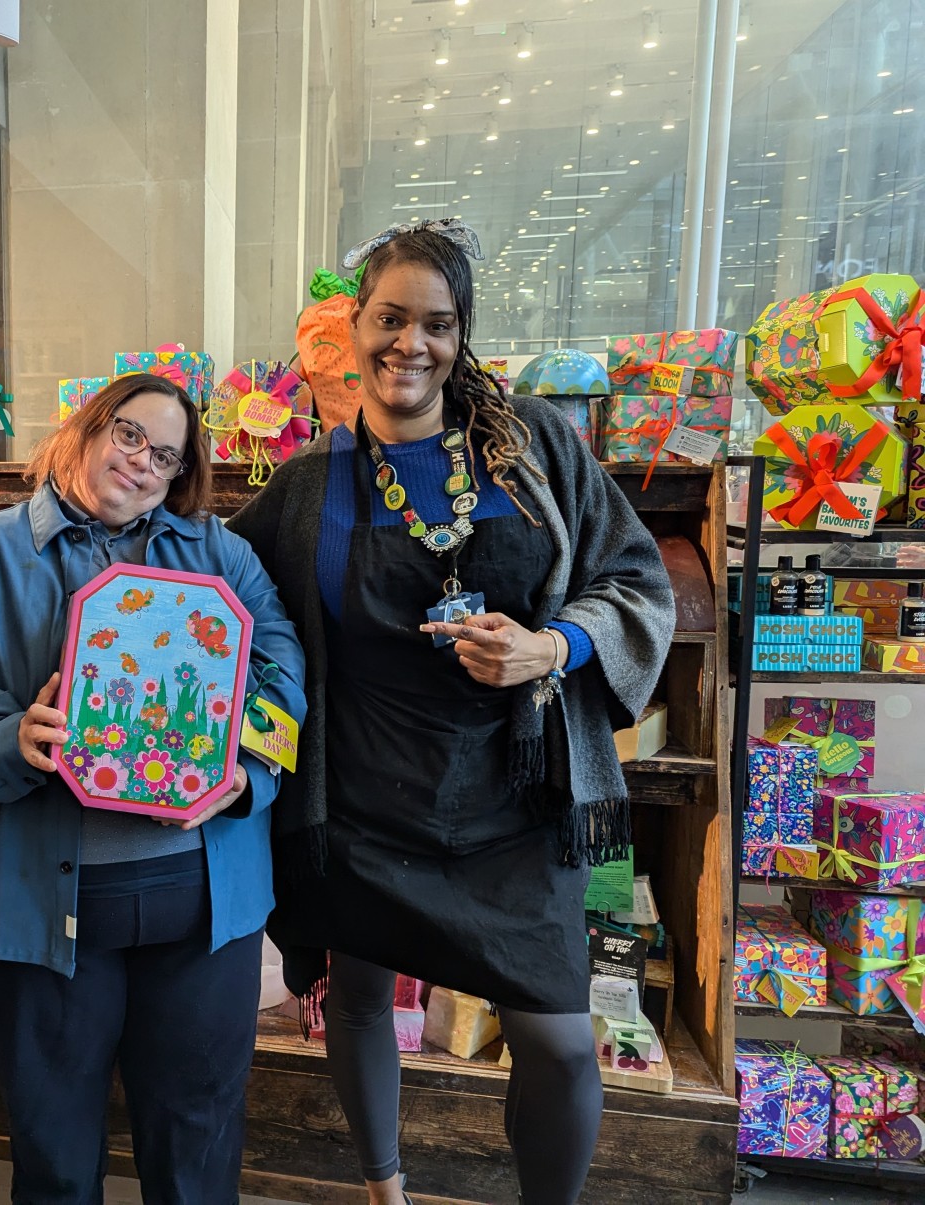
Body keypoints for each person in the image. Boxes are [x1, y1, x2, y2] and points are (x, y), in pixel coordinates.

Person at [226, 218, 674, 1205]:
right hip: (366, 799)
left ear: (458, 335)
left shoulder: (533, 448)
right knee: (357, 996)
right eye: (391, 318)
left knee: (557, 1043)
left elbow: (635, 576)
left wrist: (551, 645)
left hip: (516, 800)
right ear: (353, 325)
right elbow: (211, 580)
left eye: (436, 323)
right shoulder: (309, 488)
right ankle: (385, 1189)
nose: (410, 344)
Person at [0, 373, 306, 1205]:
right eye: (130, 435)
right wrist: (7, 737)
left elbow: (284, 671)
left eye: (166, 454)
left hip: (201, 902)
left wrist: (247, 770)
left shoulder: (220, 553)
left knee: (196, 1142)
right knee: (54, 1149)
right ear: (88, 427)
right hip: (43, 904)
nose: (143, 463)